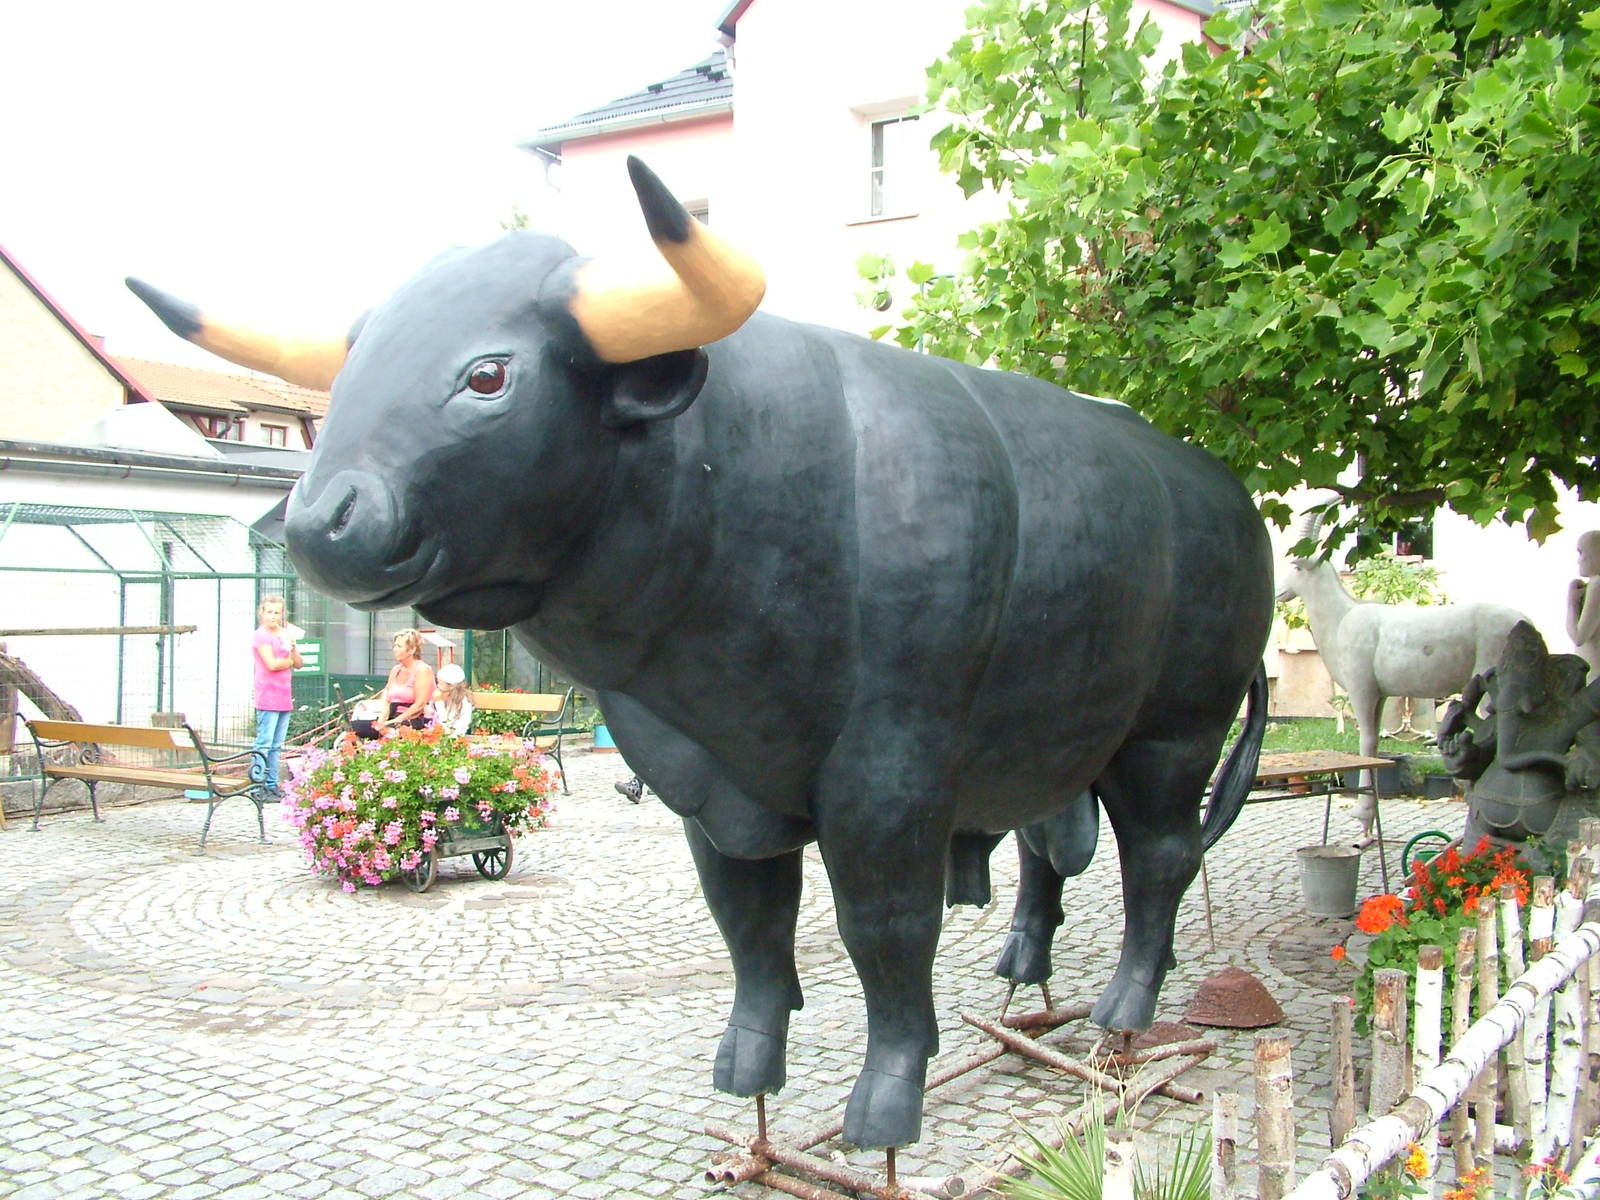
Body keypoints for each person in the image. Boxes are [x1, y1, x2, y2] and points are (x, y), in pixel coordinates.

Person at [251, 595, 302, 795]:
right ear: (262, 613)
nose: (273, 616)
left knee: (276, 744)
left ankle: (272, 784)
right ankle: (257, 784)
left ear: (282, 614)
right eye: (269, 612)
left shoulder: (285, 633)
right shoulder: (261, 635)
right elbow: (272, 664)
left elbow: (299, 663)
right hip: (267, 693)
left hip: (284, 694)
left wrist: (293, 647)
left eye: (277, 612)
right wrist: (289, 661)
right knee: (264, 742)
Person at [373, 629, 436, 736]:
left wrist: (396, 721)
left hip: (414, 719)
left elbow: (420, 704)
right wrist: (381, 721)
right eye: (394, 646)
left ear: (412, 650)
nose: (394, 649)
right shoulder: (395, 670)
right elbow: (387, 701)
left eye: (399, 646)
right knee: (360, 727)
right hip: (393, 717)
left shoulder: (423, 670)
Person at [1567, 530, 1600, 680]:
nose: (1579, 561)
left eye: (1581, 552)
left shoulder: (1597, 584)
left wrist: (1572, 602)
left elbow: (1579, 637)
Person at [432, 662, 474, 736]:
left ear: (451, 686)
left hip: (455, 737)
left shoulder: (464, 702)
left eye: (441, 684)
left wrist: (439, 704)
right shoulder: (440, 697)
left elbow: (448, 728)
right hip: (439, 735)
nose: (438, 686)